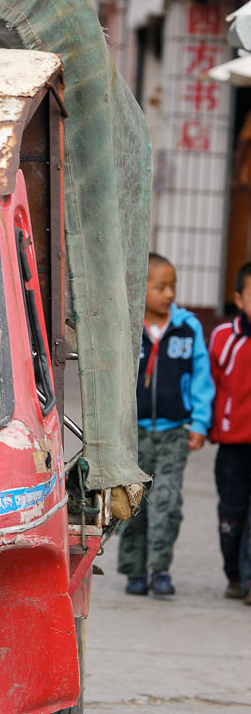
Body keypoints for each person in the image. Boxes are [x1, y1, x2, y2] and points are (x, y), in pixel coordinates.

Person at [117, 252, 214, 597]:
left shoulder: (188, 327)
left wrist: (199, 423)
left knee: (167, 503)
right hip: (134, 434)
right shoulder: (128, 329)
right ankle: (134, 570)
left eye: (173, 286)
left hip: (175, 433)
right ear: (139, 288)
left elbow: (201, 378)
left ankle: (160, 569)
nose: (170, 293)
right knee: (133, 502)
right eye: (160, 287)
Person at [208, 261, 251, 604]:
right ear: (239, 299)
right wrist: (202, 426)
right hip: (232, 446)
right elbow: (207, 385)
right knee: (231, 514)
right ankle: (234, 574)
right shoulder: (224, 338)